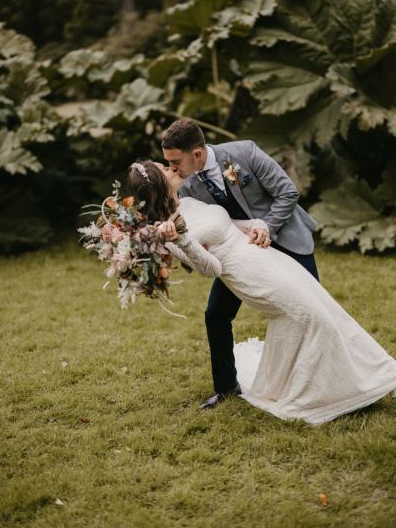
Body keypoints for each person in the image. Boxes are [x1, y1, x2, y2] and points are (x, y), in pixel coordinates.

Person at [127, 159, 396, 425]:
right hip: (248, 274)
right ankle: (328, 393)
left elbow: (230, 223)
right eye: (164, 169)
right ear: (159, 185)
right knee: (312, 318)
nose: (171, 166)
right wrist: (182, 239)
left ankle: (380, 372)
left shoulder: (190, 201)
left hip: (265, 255)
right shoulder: (167, 232)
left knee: (324, 307)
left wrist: (257, 225)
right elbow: (212, 269)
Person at [161, 118, 318, 410]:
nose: (171, 169)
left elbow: (288, 192)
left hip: (286, 238)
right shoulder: (187, 185)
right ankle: (226, 387)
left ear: (196, 154)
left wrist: (267, 227)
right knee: (216, 315)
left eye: (175, 162)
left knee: (314, 311)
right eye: (167, 163)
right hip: (240, 258)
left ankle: (318, 380)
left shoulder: (244, 152)